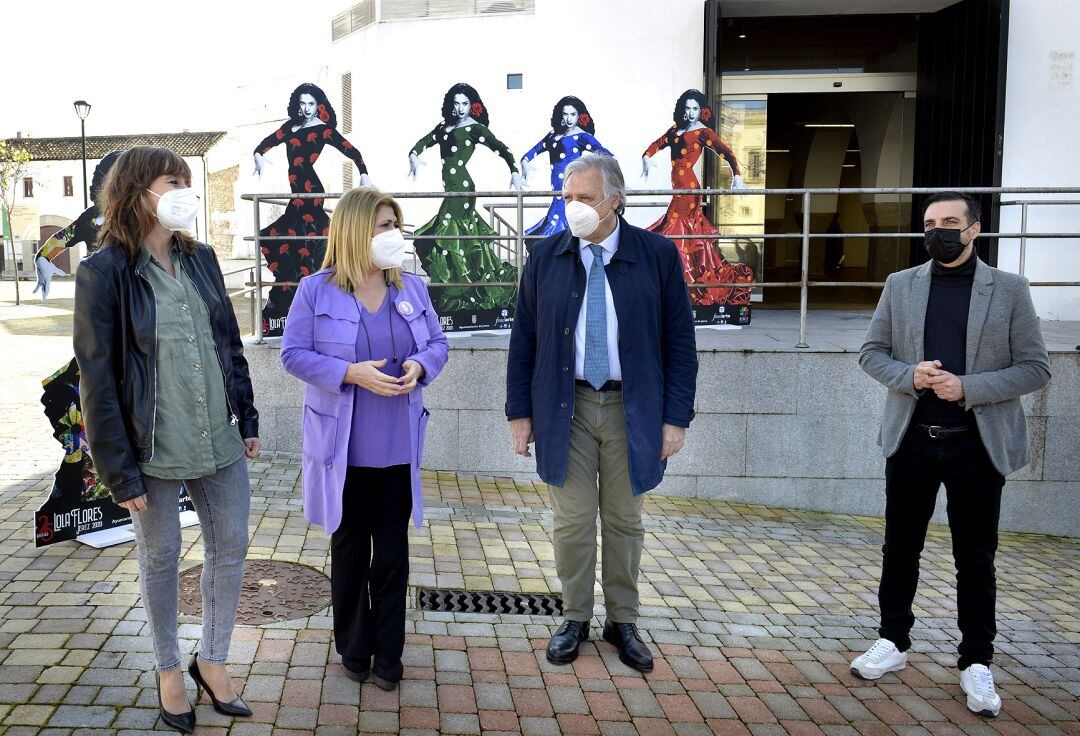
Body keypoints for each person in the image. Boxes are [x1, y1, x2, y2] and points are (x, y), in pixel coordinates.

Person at [73, 146, 261, 734]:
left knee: (229, 548)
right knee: (160, 559)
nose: (184, 190)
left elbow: (229, 345)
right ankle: (168, 671)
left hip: (219, 437)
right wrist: (118, 470)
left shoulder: (202, 259)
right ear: (137, 192)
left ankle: (213, 658)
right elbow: (97, 378)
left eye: (186, 179)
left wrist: (248, 417)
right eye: (170, 181)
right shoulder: (104, 272)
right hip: (153, 448)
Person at [852, 192, 1051, 718]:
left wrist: (968, 387)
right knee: (900, 549)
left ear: (974, 230)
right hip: (912, 440)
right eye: (930, 223)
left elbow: (1035, 367)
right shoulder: (901, 285)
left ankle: (976, 661)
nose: (938, 230)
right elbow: (872, 353)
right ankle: (893, 641)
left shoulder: (1008, 290)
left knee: (976, 556)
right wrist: (909, 376)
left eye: (949, 222)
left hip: (978, 446)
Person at [506, 153, 697, 673]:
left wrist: (675, 418)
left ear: (615, 200)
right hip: (563, 406)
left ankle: (623, 620)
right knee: (570, 523)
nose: (574, 209)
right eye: (567, 199)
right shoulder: (545, 256)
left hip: (629, 406)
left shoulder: (655, 254)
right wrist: (518, 414)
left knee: (624, 521)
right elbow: (523, 339)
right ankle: (573, 617)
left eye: (585, 199)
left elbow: (680, 341)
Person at [280, 187, 448, 690]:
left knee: (393, 552)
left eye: (396, 224)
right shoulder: (316, 290)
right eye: (382, 226)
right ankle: (354, 647)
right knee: (350, 546)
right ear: (355, 230)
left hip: (397, 443)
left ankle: (389, 653)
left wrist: (420, 365)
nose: (392, 235)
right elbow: (292, 354)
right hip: (342, 448)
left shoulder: (411, 288)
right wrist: (349, 372)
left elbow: (438, 344)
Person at [253, 82, 371, 337]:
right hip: (297, 195)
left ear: (319, 105)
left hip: (311, 191)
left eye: (311, 104)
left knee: (307, 243)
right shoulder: (290, 127)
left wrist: (364, 174)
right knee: (275, 238)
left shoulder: (323, 130)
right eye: (302, 103)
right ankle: (291, 293)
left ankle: (305, 299)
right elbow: (265, 143)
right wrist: (258, 156)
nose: (306, 108)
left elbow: (352, 150)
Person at [407, 82, 524, 316]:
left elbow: (502, 149)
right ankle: (462, 290)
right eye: (456, 103)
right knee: (455, 238)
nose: (460, 108)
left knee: (449, 235)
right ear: (451, 105)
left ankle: (463, 290)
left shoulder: (475, 128)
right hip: (450, 190)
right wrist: (413, 155)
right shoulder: (443, 127)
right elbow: (423, 142)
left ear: (472, 105)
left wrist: (513, 171)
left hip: (462, 188)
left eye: (465, 103)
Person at [641, 88, 753, 307]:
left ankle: (681, 286)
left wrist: (737, 175)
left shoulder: (703, 132)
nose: (691, 113)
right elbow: (658, 143)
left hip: (689, 190)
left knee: (676, 235)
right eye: (688, 108)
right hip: (678, 190)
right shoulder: (675, 130)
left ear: (700, 111)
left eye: (695, 109)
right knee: (682, 237)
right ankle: (680, 284)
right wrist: (646, 156)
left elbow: (726, 152)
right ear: (682, 109)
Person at [520, 95, 612, 240]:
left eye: (573, 114)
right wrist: (524, 162)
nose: (569, 119)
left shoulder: (582, 136)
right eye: (565, 114)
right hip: (556, 193)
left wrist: (601, 177)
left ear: (579, 116)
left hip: (571, 191)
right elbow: (532, 151)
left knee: (559, 227)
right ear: (560, 115)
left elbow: (606, 155)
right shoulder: (552, 136)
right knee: (553, 228)